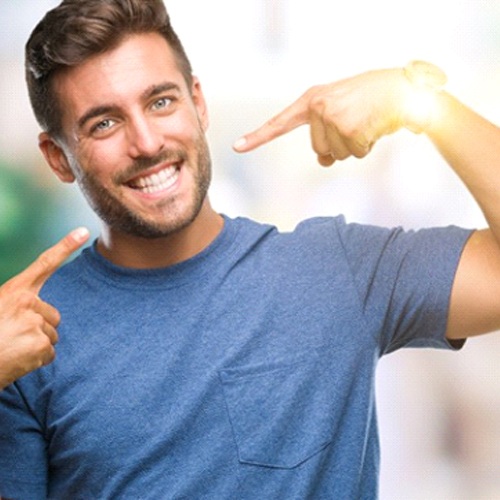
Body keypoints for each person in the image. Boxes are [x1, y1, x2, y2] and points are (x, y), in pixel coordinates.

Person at [0, 0, 499, 498]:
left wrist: (425, 106)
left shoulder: (336, 271)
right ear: (58, 158)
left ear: (199, 104)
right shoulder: (27, 341)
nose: (147, 142)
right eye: (104, 123)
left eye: (160, 102)